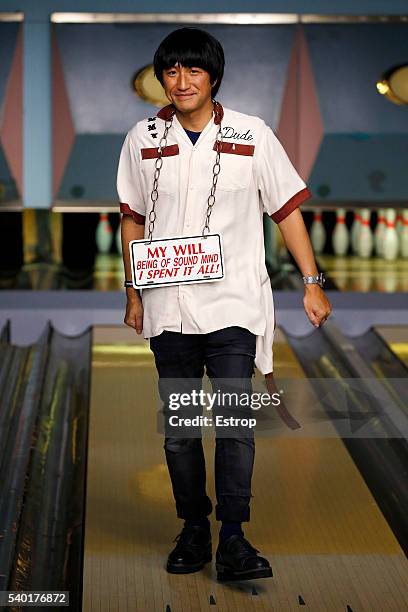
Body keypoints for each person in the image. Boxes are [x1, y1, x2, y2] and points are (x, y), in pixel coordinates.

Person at [117, 27, 332, 581]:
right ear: (161, 78)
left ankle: (234, 537)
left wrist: (311, 280)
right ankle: (194, 528)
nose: (181, 81)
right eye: (171, 71)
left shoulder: (252, 134)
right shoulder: (141, 139)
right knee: (182, 431)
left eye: (192, 70)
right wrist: (133, 290)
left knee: (235, 424)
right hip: (169, 308)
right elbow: (133, 219)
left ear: (213, 76)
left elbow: (286, 210)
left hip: (234, 304)